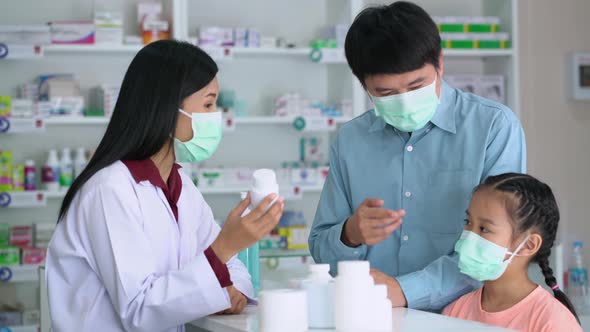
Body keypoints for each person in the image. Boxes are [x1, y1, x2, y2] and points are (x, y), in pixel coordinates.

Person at [46, 40, 285, 332]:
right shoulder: (109, 190)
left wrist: (226, 289)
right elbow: (140, 310)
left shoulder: (180, 184)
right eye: (208, 104)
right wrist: (225, 247)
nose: (216, 116)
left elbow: (236, 272)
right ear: (168, 110)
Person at [308, 1, 526, 311]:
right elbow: (320, 248)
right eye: (385, 93)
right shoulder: (351, 141)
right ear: (364, 85)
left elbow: (493, 247)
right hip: (371, 315)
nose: (406, 103)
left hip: (466, 316)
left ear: (439, 62)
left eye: (416, 85)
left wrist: (406, 290)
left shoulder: (493, 127)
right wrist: (350, 234)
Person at [443, 173, 581, 332]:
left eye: (484, 229)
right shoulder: (455, 312)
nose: (468, 236)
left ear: (528, 245)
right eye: (468, 222)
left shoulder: (553, 322)